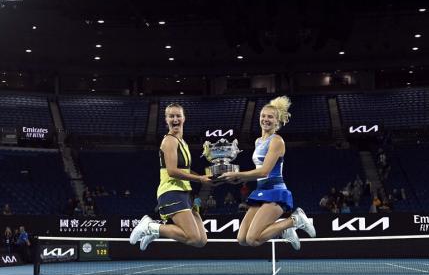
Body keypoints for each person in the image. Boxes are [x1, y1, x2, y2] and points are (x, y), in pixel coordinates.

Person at [220, 96, 315, 250]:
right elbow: (258, 171)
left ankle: (294, 220)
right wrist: (238, 179)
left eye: (270, 117)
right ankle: (284, 228)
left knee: (253, 239)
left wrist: (239, 175)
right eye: (263, 116)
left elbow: (264, 171)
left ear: (277, 121)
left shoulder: (277, 141)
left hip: (275, 192)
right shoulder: (258, 141)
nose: (265, 119)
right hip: (261, 191)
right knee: (242, 239)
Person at [130, 103, 211, 250]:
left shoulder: (183, 142)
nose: (175, 119)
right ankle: (150, 226)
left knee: (200, 241)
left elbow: (185, 170)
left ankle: (156, 231)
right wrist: (200, 179)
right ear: (166, 120)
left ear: (184, 118)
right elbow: (172, 171)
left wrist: (206, 178)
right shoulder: (169, 140)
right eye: (171, 116)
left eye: (178, 115)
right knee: (192, 237)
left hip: (185, 192)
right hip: (171, 191)